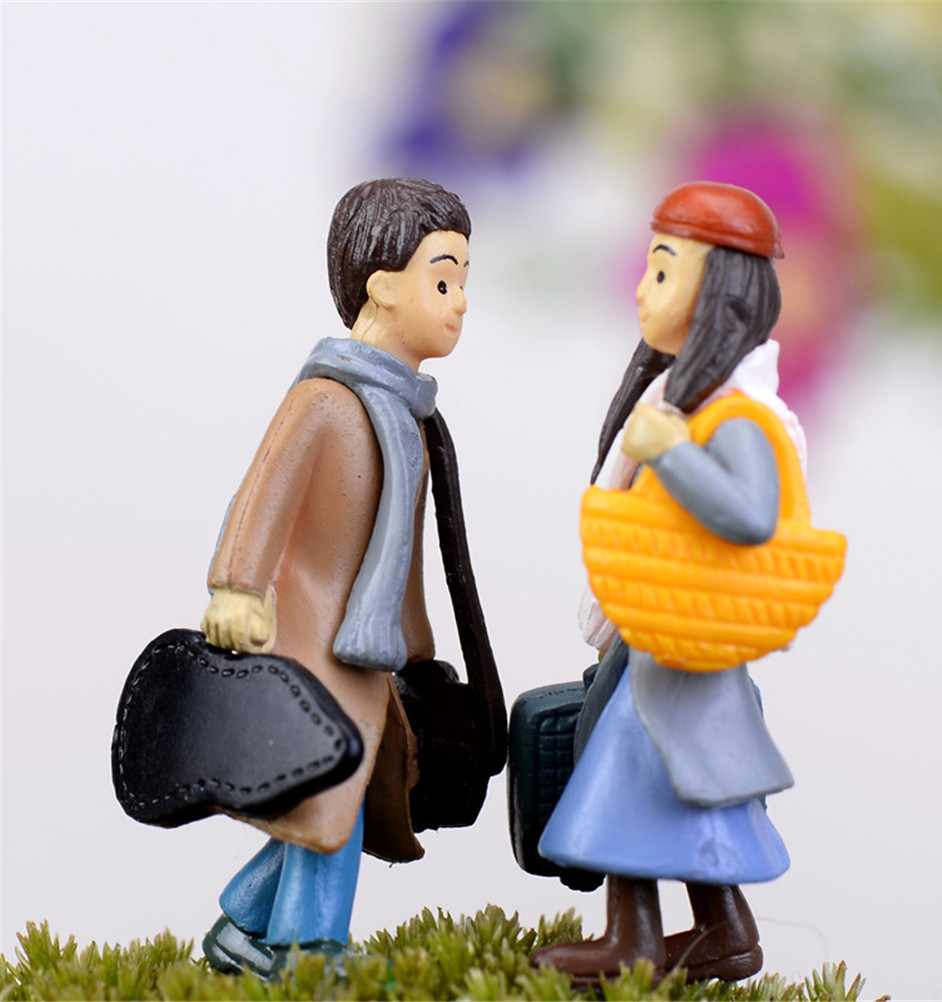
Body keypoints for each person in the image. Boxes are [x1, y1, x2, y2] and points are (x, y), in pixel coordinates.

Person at [199, 177, 476, 976]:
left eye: (463, 283)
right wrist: (236, 587)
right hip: (305, 634)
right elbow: (262, 493)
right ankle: (308, 949)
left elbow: (400, 550)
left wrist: (416, 646)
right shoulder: (327, 399)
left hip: (359, 645)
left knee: (335, 790)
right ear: (383, 288)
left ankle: (243, 926)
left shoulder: (406, 418)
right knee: (336, 785)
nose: (461, 303)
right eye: (444, 280)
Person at [532, 182, 805, 984]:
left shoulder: (736, 419)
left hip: (683, 646)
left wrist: (672, 453)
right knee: (679, 788)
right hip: (656, 634)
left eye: (662, 271)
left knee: (627, 774)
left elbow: (751, 515)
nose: (642, 290)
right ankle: (724, 931)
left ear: (718, 293)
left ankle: (633, 940)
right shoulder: (683, 399)